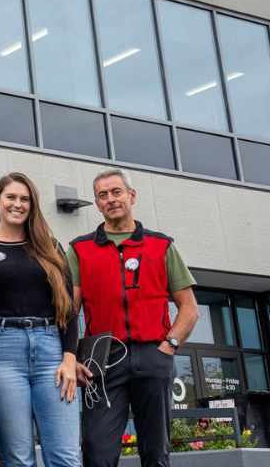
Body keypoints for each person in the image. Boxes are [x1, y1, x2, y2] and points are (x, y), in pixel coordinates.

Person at [70, 168, 199, 467]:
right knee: (96, 450)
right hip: (102, 362)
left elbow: (189, 309)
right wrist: (71, 356)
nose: (111, 199)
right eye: (103, 195)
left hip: (153, 355)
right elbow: (68, 312)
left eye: (116, 192)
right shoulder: (79, 249)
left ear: (131, 195)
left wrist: (168, 348)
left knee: (155, 453)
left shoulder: (161, 245)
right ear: (97, 203)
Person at [0, 172, 80, 467]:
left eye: (25, 199)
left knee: (66, 457)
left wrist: (69, 358)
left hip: (51, 354)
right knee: (18, 458)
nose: (18, 204)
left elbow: (69, 309)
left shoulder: (51, 247)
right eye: (11, 197)